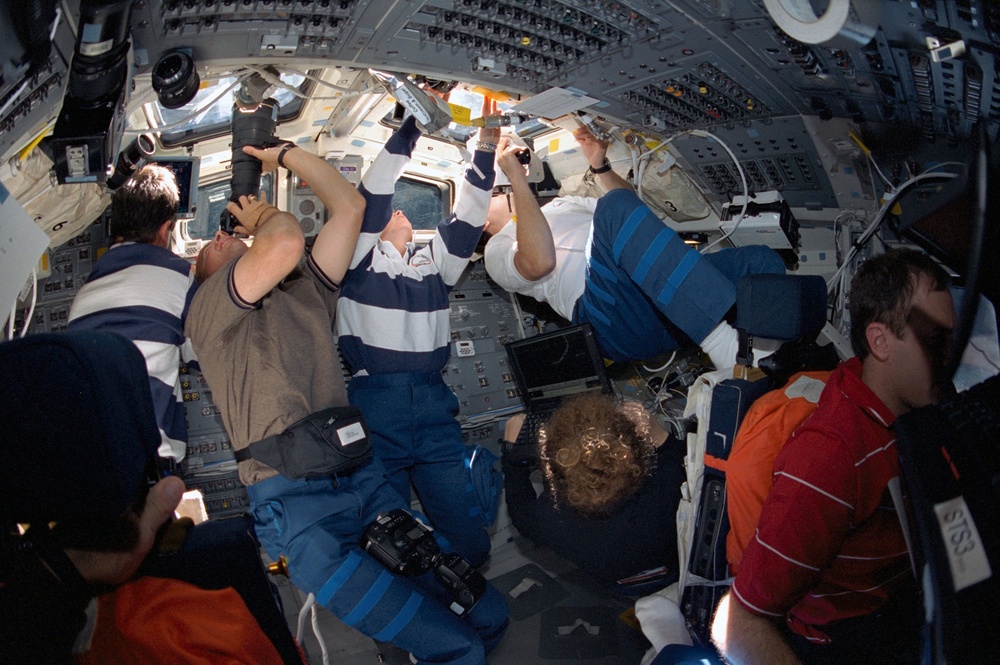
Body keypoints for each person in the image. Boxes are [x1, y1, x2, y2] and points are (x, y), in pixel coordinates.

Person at [186, 141, 509, 664]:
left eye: (228, 231)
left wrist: (285, 153)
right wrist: (261, 216)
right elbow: (285, 241)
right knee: (454, 647)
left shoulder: (302, 295)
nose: (222, 235)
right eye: (210, 244)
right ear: (200, 274)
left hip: (362, 479)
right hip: (296, 505)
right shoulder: (208, 310)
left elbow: (351, 208)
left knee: (487, 611)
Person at [710, 248, 955, 665]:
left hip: (902, 592)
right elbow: (737, 621)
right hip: (851, 632)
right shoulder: (829, 460)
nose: (951, 356)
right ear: (880, 341)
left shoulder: (908, 409)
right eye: (936, 341)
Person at [335, 110, 508, 566]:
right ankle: (414, 605)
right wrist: (411, 128)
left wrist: (485, 148)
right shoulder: (356, 265)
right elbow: (371, 198)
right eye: (394, 211)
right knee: (389, 533)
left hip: (433, 404)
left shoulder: (435, 264)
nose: (400, 212)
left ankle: (467, 587)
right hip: (378, 404)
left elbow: (470, 215)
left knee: (467, 532)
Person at [483, 126, 785, 369]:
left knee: (759, 262)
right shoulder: (496, 250)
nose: (498, 188)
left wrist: (599, 167)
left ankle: (762, 361)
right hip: (610, 318)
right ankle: (721, 344)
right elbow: (540, 262)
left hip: (660, 301)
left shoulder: (562, 203)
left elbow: (633, 210)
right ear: (480, 223)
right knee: (612, 209)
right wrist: (516, 180)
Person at [67, 164, 198, 463]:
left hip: (93, 459)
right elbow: (201, 357)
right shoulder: (177, 276)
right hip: (148, 459)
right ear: (166, 228)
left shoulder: (84, 295)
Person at [501, 393, 685, 586]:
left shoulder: (550, 520)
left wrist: (511, 456)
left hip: (616, 582)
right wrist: (661, 438)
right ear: (634, 460)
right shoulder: (669, 483)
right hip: (672, 566)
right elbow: (694, 460)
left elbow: (519, 511)